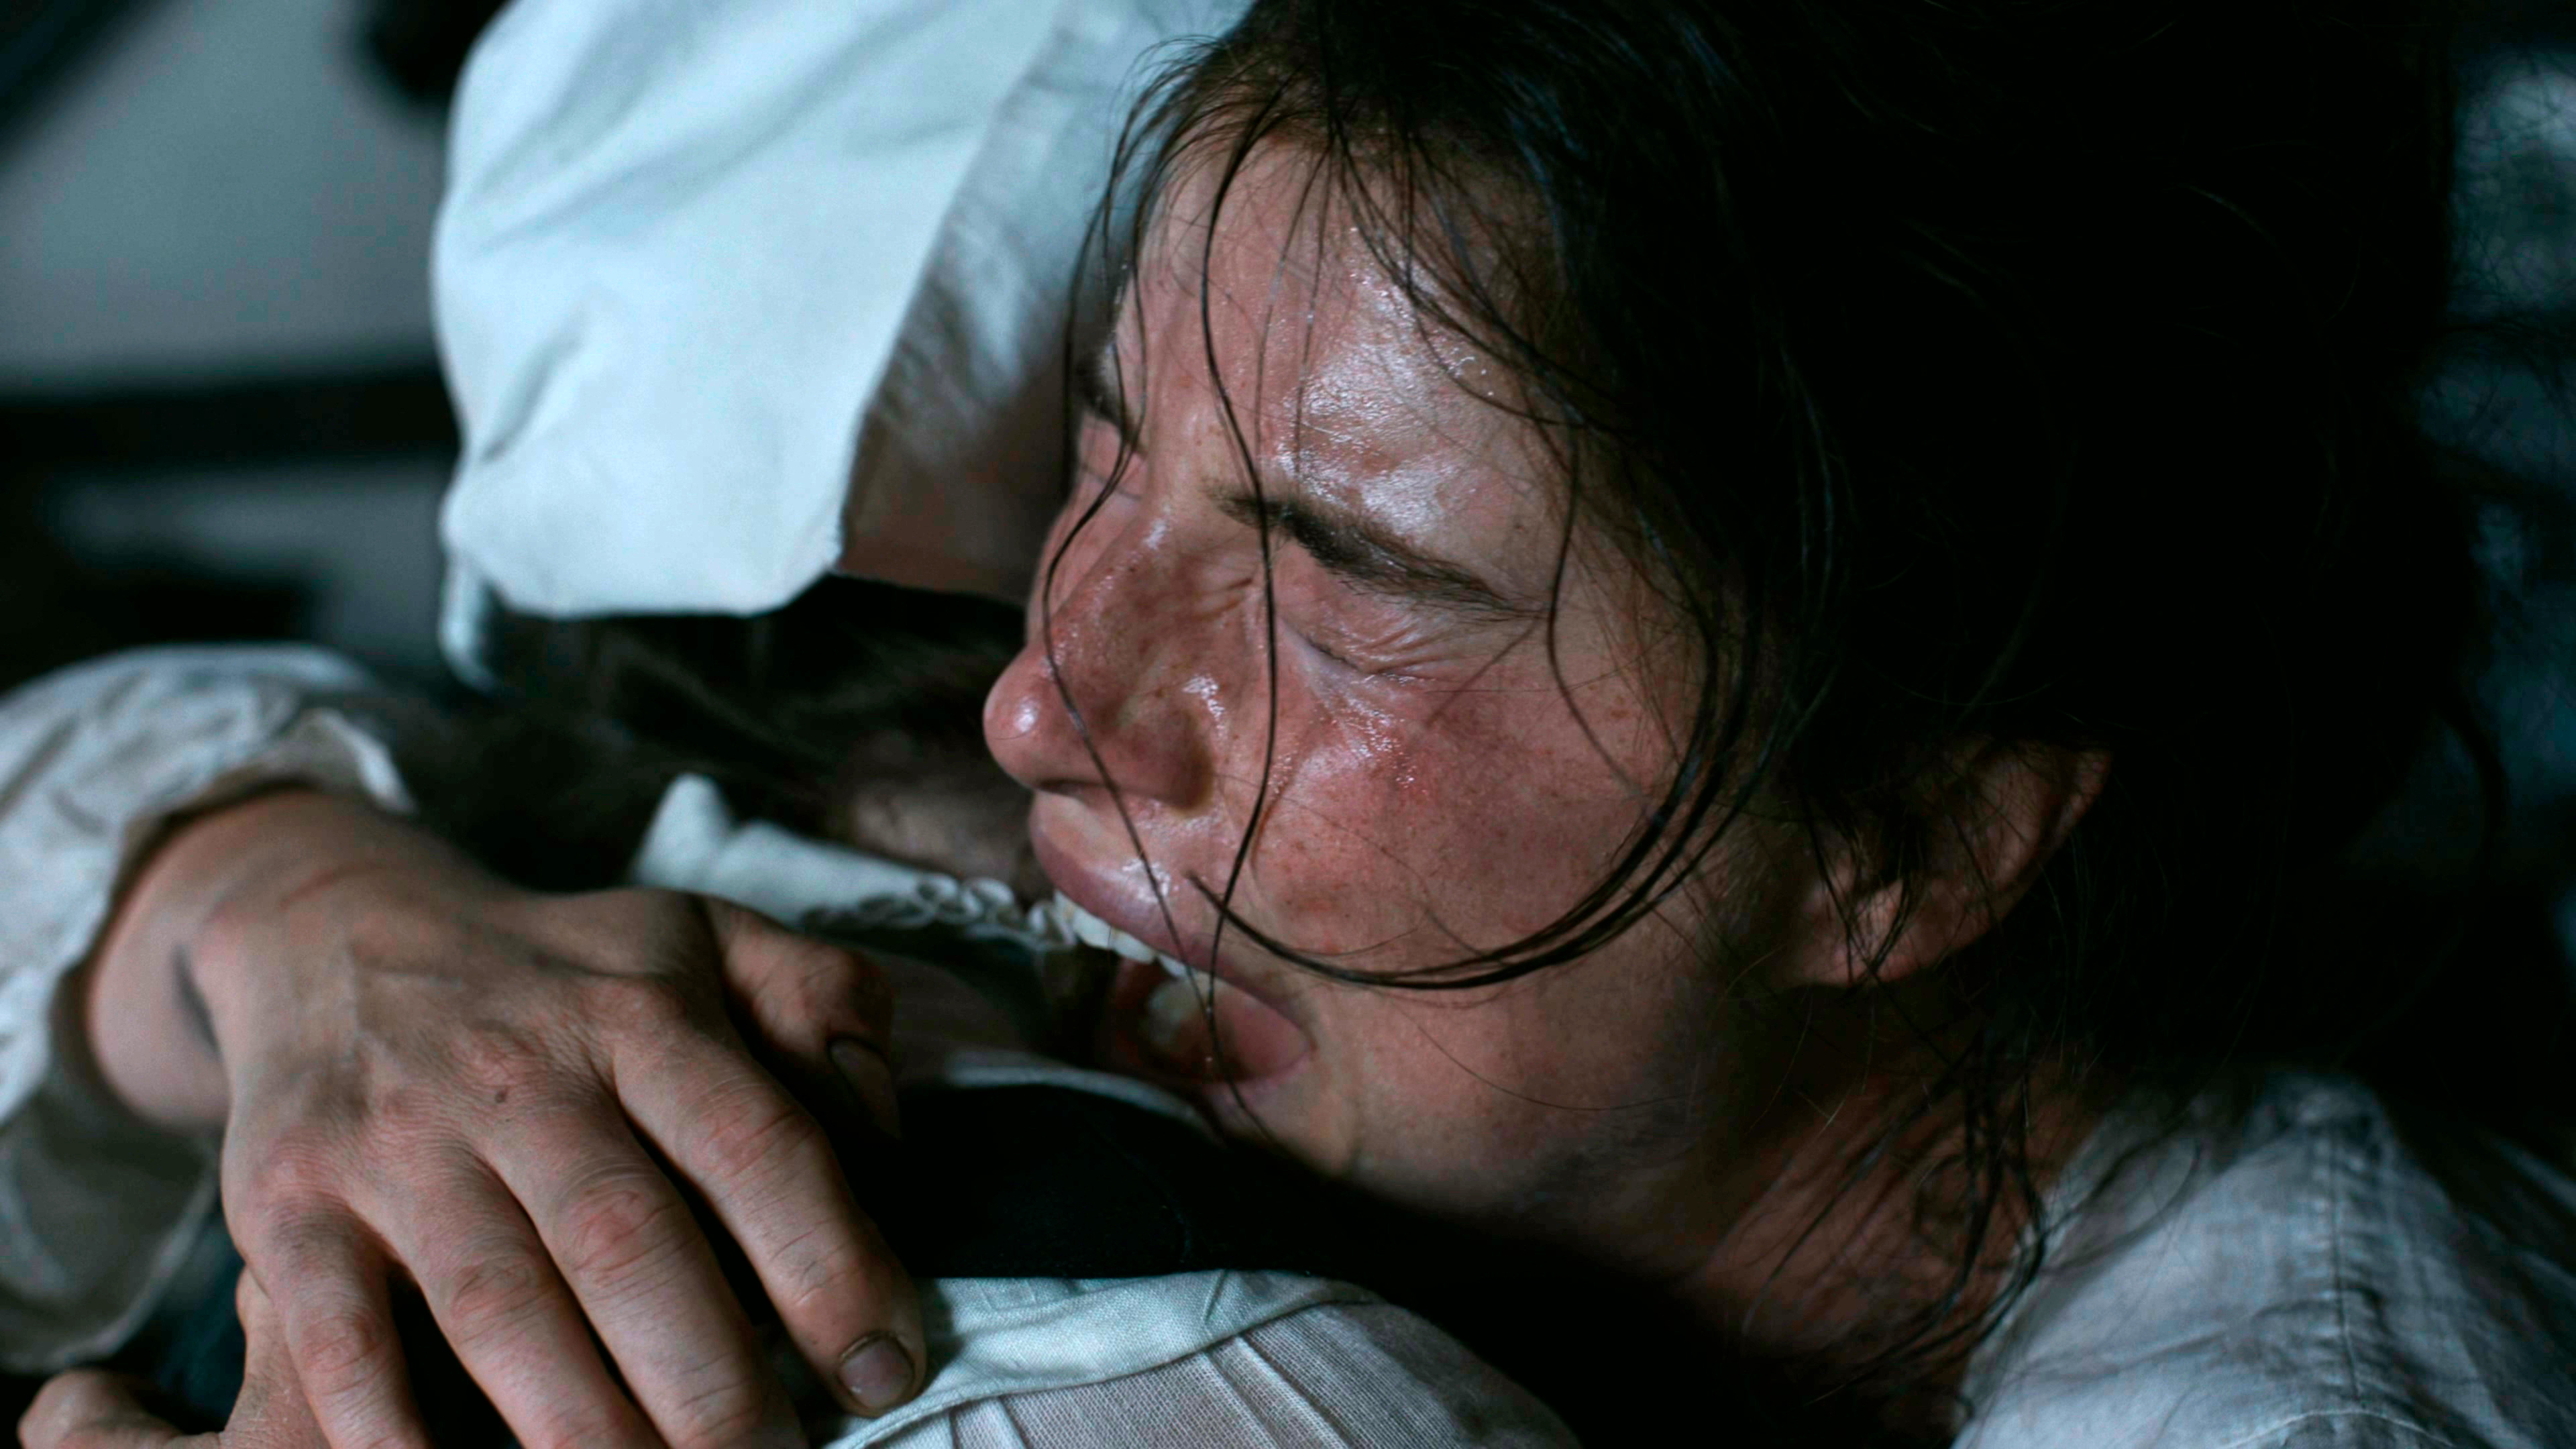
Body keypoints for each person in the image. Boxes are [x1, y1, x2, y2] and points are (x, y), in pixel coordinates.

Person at [12, 0, 2576, 1444]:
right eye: (1104, 449)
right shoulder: (1206, 991)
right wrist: (293, 914)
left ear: (1909, 828)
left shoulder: (2290, 1398)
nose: (1048, 699)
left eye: (1341, 581)